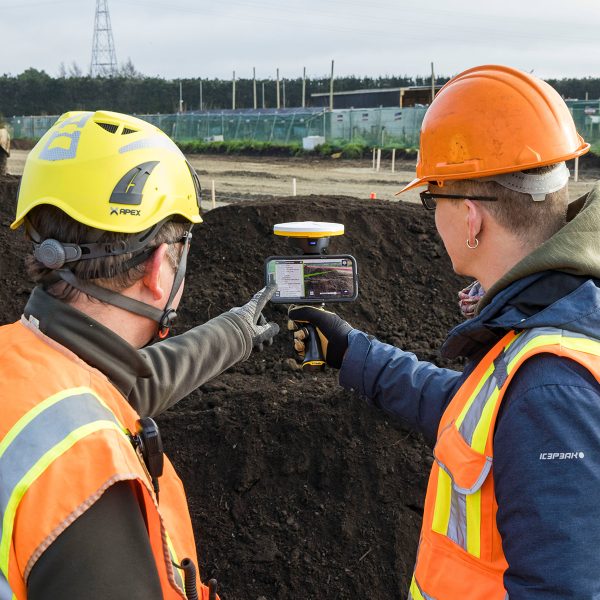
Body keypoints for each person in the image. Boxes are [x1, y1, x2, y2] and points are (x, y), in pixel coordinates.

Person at [289, 65, 600, 599]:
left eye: (433, 200)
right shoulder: (551, 322)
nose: (432, 218)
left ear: (472, 218)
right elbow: (473, 412)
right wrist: (352, 351)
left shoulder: (551, 390)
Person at [0, 110, 278, 600]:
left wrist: (236, 331)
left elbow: (120, 386)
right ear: (157, 268)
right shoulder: (93, 484)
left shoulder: (23, 361)